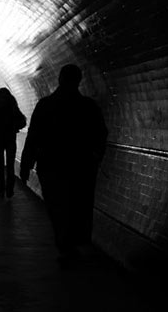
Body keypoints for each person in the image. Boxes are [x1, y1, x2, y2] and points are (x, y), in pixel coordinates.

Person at [20, 64, 108, 267]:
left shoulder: (45, 105)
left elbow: (33, 137)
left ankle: (64, 245)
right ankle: (77, 242)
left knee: (57, 204)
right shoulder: (88, 106)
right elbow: (101, 133)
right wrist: (96, 157)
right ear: (79, 80)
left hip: (51, 164)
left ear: (59, 79)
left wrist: (26, 165)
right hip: (82, 165)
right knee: (80, 204)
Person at [0, 88, 26, 198]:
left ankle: (1, 189)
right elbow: (23, 121)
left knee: (0, 165)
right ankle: (9, 189)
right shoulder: (13, 108)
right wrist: (14, 127)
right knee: (10, 165)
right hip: (10, 138)